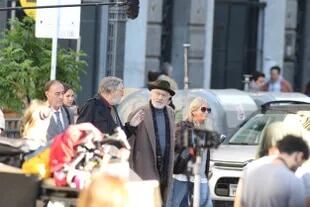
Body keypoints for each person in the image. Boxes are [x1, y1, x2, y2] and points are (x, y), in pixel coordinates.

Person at [127, 79, 176, 204]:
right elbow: (130, 143)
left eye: (163, 95)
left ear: (168, 98)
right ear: (151, 94)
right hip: (144, 165)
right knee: (146, 201)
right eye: (157, 93)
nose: (159, 97)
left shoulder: (170, 113)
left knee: (161, 198)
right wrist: (131, 168)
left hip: (165, 165)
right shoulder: (139, 112)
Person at [238, 135, 308, 207]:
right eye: (300, 164)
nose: (297, 168)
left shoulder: (250, 172)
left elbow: (239, 203)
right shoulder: (293, 181)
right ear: (299, 156)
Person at [168, 97, 213, 207]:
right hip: (183, 174)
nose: (206, 112)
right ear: (193, 111)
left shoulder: (205, 129)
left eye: (208, 110)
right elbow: (176, 146)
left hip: (200, 176)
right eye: (203, 109)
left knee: (206, 204)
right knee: (176, 204)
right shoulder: (183, 126)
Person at [77, 76, 144, 136]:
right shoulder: (92, 105)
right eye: (121, 90)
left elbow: (118, 136)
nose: (123, 94)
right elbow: (80, 131)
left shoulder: (112, 108)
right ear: (111, 90)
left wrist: (131, 125)